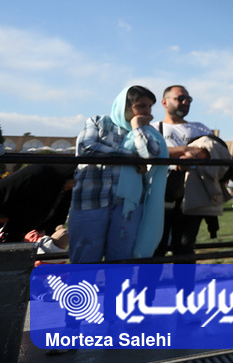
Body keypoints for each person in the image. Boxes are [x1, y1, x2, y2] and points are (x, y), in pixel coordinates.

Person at [70, 86, 170, 262]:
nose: (148, 112)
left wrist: (137, 127)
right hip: (91, 201)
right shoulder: (99, 123)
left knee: (121, 262)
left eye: (150, 107)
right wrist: (130, 157)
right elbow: (88, 148)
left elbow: (151, 154)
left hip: (127, 208)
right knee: (84, 261)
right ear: (125, 106)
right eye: (141, 106)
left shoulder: (146, 132)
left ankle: (116, 291)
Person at [156, 85, 216, 257]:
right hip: (159, 197)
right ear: (164, 102)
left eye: (188, 99)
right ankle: (149, 285)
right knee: (155, 247)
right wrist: (187, 151)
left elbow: (216, 151)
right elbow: (147, 152)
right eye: (180, 98)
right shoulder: (153, 128)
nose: (185, 102)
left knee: (185, 247)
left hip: (192, 195)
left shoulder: (200, 128)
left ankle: (185, 285)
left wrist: (196, 155)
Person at [0, 163, 73, 243]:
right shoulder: (36, 177)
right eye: (73, 182)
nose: (74, 186)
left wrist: (46, 233)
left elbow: (56, 220)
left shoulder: (60, 191)